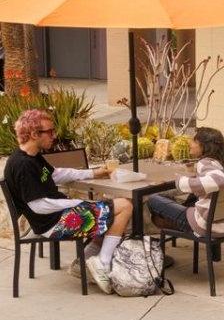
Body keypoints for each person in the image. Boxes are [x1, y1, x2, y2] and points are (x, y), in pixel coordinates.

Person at [3, 108, 133, 293]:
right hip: (53, 224)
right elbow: (39, 206)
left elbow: (56, 174)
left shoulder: (31, 156)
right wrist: (79, 204)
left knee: (111, 211)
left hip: (55, 217)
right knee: (124, 206)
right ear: (33, 134)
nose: (53, 136)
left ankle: (85, 262)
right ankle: (103, 263)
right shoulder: (23, 165)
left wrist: (94, 172)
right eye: (49, 131)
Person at [146, 127, 224, 245]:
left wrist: (180, 182)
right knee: (172, 200)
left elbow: (218, 180)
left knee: (153, 199)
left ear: (204, 146)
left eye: (194, 141)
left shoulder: (205, 163)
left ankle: (162, 238)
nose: (190, 143)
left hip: (209, 226)